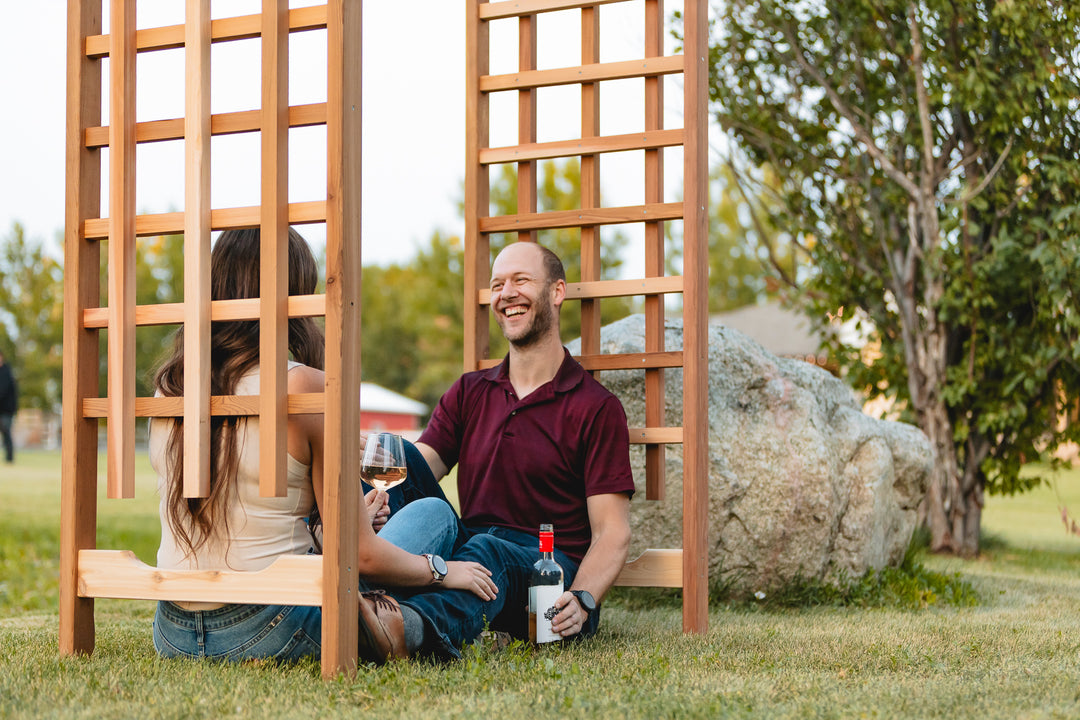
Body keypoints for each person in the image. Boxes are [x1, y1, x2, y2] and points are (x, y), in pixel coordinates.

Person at [148, 227, 499, 665]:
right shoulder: (304, 386)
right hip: (270, 624)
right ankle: (404, 622)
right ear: (297, 296)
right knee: (435, 515)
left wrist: (339, 524)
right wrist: (442, 571)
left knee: (392, 529)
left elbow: (244, 517)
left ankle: (385, 612)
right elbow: (362, 556)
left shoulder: (171, 387)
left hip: (174, 628)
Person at [368, 241, 634, 655]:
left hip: (545, 569)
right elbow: (422, 467)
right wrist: (371, 468)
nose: (505, 294)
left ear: (557, 292)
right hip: (469, 549)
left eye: (521, 280)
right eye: (497, 285)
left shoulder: (596, 407)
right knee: (395, 457)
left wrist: (583, 600)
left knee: (484, 551)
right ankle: (337, 568)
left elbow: (612, 532)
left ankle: (407, 627)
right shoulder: (471, 390)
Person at [0, 350, 16, 464]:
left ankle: (9, 458)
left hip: (6, 410)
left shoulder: (6, 372)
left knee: (6, 432)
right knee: (6, 433)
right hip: (2, 409)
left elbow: (2, 391)